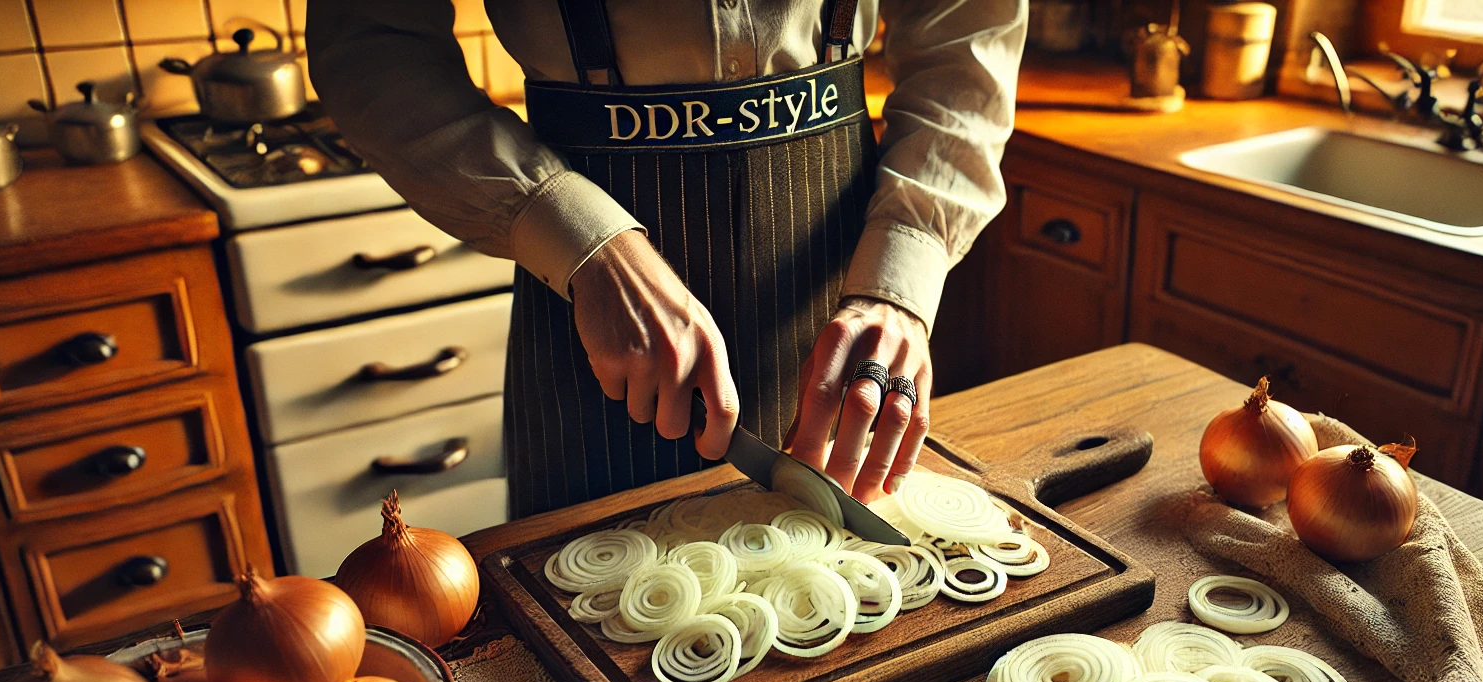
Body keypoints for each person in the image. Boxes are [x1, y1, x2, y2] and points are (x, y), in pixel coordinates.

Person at [307, 1, 1024, 514]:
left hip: (838, 282)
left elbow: (972, 30)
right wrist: (582, 240)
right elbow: (373, 46)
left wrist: (900, 276)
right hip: (584, 297)